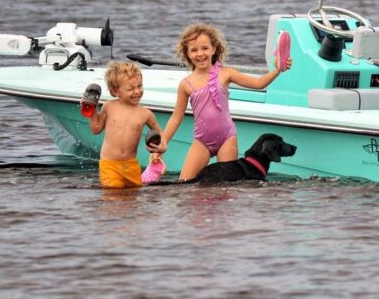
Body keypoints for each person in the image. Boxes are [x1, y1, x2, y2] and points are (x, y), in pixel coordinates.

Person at [161, 22, 291, 181]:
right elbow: (176, 118)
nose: (199, 54)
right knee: (184, 183)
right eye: (194, 50)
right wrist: (163, 143)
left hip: (227, 139)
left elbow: (258, 84)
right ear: (187, 54)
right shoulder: (186, 84)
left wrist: (277, 70)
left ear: (214, 49)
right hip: (202, 142)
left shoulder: (225, 73)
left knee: (227, 187)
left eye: (204, 48)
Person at [85, 61, 163, 188]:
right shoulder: (109, 106)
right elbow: (96, 129)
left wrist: (159, 150)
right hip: (110, 164)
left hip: (131, 165)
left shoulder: (146, 114)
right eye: (131, 88)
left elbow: (161, 134)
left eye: (139, 86)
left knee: (132, 198)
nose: (137, 91)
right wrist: (92, 111)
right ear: (115, 91)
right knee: (113, 195)